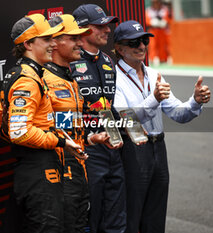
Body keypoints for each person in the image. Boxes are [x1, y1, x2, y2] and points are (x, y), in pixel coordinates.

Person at [113, 20, 211, 233]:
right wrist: (154, 99)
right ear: (119, 48)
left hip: (158, 147)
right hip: (132, 149)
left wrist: (195, 101)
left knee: (156, 217)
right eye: (134, 42)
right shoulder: (113, 77)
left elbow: (178, 113)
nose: (141, 46)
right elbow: (125, 120)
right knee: (132, 215)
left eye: (144, 41)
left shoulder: (152, 72)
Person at [0, 13, 83, 233]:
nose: (53, 43)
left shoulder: (30, 74)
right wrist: (58, 141)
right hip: (39, 171)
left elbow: (1, 126)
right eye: (46, 39)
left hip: (39, 168)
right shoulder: (27, 79)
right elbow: (19, 132)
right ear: (28, 44)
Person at [70, 4, 126, 233]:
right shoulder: (68, 63)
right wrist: (87, 140)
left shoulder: (107, 60)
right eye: (100, 26)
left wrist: (117, 135)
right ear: (83, 30)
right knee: (89, 218)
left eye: (107, 25)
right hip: (86, 150)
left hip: (112, 148)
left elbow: (109, 106)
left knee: (115, 218)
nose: (107, 30)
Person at [42, 14, 91, 233]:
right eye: (73, 38)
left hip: (78, 168)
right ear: (54, 41)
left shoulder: (69, 79)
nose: (80, 43)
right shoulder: (42, 79)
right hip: (57, 173)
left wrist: (91, 137)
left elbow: (64, 122)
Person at [146, 0, 171, 65]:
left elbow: (167, 18)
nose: (156, 4)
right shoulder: (149, 10)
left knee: (162, 45)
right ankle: (152, 58)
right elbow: (147, 19)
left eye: (157, 2)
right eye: (154, 2)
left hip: (161, 30)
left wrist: (164, 21)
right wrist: (151, 22)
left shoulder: (164, 9)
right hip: (153, 29)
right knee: (152, 44)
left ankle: (163, 59)